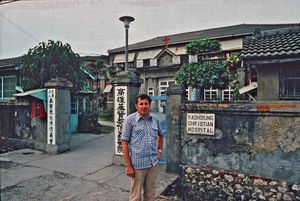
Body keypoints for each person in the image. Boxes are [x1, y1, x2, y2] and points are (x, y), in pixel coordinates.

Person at [122, 93, 164, 201]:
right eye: (141, 104)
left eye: (146, 103)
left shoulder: (154, 119)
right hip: (137, 164)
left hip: (152, 162)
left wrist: (159, 150)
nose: (144, 106)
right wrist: (128, 166)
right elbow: (124, 142)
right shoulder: (129, 120)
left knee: (150, 194)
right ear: (136, 106)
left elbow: (160, 134)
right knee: (136, 196)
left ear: (149, 105)